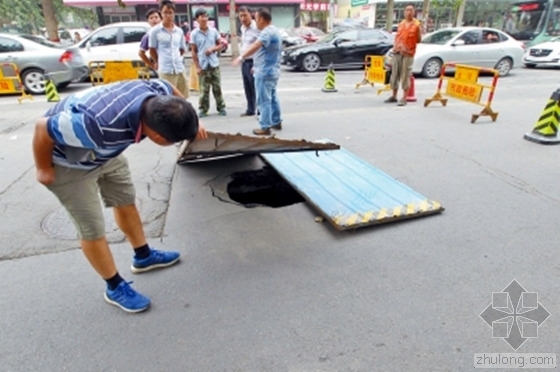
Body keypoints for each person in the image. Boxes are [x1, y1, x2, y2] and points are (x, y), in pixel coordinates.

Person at [32, 79, 207, 313]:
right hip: (69, 162)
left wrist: (195, 121)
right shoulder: (93, 124)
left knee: (125, 201)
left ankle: (143, 256)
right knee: (92, 229)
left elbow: (168, 85)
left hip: (107, 153)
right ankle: (114, 286)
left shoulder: (158, 95)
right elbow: (42, 128)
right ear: (157, 138)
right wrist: (43, 167)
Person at [233, 8, 282, 136]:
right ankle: (276, 121)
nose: (256, 22)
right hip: (272, 69)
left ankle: (265, 126)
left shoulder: (266, 32)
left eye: (256, 18)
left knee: (263, 100)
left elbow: (256, 46)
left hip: (265, 72)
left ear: (261, 19)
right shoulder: (275, 30)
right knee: (273, 97)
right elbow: (268, 52)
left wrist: (241, 57)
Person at [190, 8, 227, 117]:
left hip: (214, 63)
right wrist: (197, 67)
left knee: (217, 88)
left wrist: (213, 49)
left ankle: (221, 107)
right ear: (197, 19)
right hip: (203, 65)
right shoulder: (194, 34)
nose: (204, 19)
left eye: (206, 16)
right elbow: (193, 51)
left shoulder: (214, 31)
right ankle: (203, 109)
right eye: (202, 16)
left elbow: (221, 45)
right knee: (204, 90)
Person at [149, 0, 189, 98]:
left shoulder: (179, 31)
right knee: (168, 98)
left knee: (182, 97)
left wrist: (177, 58)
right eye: (165, 12)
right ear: (161, 13)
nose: (168, 15)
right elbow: (152, 49)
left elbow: (182, 49)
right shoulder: (155, 31)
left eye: (170, 12)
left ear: (174, 13)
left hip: (179, 69)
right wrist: (157, 61)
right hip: (166, 70)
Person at [385, 4, 422, 107]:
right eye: (407, 10)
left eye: (411, 10)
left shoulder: (416, 25)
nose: (409, 12)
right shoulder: (401, 24)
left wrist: (408, 45)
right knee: (394, 74)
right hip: (397, 52)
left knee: (405, 75)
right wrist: (396, 47)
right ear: (404, 12)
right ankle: (394, 95)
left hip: (408, 53)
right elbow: (397, 37)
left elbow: (419, 40)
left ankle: (404, 98)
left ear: (414, 12)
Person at [238, 6, 260, 117]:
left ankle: (261, 110)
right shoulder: (242, 28)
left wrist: (257, 64)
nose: (243, 18)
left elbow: (260, 47)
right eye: (240, 16)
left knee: (256, 87)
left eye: (245, 15)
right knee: (247, 87)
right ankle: (250, 109)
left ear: (250, 14)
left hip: (254, 62)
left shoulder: (257, 27)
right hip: (245, 62)